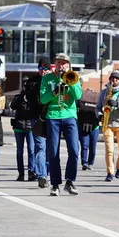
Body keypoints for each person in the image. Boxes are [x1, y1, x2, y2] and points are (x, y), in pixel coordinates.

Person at [39, 53, 82, 196]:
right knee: (53, 151)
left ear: (68, 65)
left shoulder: (73, 77)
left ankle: (70, 181)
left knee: (74, 150)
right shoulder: (47, 78)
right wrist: (55, 91)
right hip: (53, 116)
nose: (61, 66)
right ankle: (55, 184)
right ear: (54, 64)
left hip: (69, 116)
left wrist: (70, 83)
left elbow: (78, 96)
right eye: (58, 63)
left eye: (64, 63)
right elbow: (43, 99)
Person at [96, 70, 119, 182]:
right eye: (112, 78)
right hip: (107, 124)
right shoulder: (104, 92)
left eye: (116, 79)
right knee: (109, 150)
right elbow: (97, 107)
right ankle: (110, 173)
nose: (114, 80)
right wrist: (99, 115)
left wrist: (118, 104)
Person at [26, 57, 52, 188]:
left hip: (51, 117)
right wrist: (42, 81)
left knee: (50, 148)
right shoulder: (32, 81)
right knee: (40, 146)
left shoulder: (53, 80)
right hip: (37, 117)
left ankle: (46, 172)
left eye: (46, 68)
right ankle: (42, 176)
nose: (43, 71)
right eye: (41, 68)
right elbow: (30, 98)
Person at [10, 78, 36, 181]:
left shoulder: (33, 98)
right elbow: (12, 106)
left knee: (31, 150)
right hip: (19, 127)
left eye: (28, 86)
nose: (26, 88)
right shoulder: (18, 97)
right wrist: (21, 98)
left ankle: (31, 172)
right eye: (25, 86)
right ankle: (21, 173)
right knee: (19, 151)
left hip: (30, 127)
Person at [76, 88, 100, 171]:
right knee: (88, 146)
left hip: (87, 125)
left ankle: (88, 163)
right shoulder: (97, 98)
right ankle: (86, 163)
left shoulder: (82, 99)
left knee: (86, 146)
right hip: (92, 126)